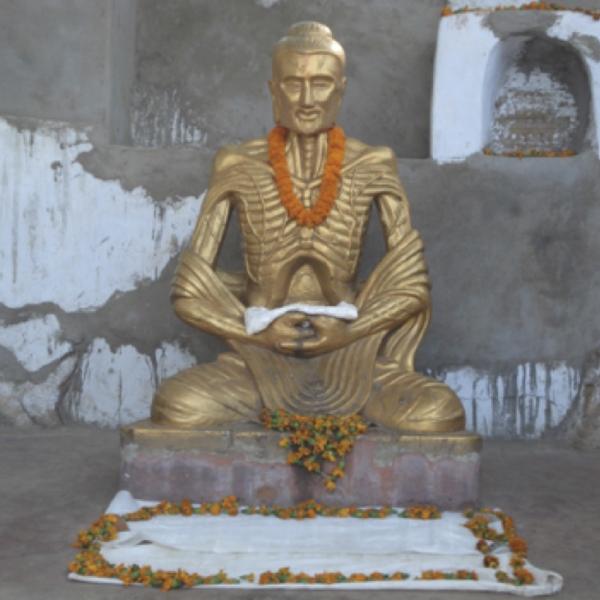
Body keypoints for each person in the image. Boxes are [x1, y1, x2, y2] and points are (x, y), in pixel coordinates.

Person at [151, 21, 465, 432]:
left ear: (341, 90)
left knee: (436, 412)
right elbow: (189, 293)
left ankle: (342, 395)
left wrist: (348, 333)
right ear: (273, 91)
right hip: (259, 357)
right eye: (293, 84)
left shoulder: (372, 164)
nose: (306, 100)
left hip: (352, 353)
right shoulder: (237, 164)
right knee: (178, 406)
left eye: (320, 84)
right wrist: (260, 335)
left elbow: (411, 286)